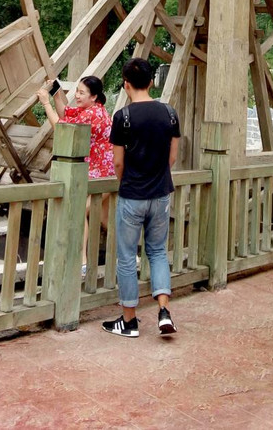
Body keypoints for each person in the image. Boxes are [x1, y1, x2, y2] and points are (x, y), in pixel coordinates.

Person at [102, 57, 180, 339]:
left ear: (125, 84)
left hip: (132, 195)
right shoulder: (170, 113)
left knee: (126, 257)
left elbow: (118, 163)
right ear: (151, 82)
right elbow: (172, 157)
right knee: (158, 252)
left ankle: (130, 321)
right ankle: (163, 311)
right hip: (160, 195)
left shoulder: (122, 117)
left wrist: (128, 184)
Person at [38, 75, 115, 270]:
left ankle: (82, 262)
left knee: (80, 211)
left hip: (102, 175)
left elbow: (62, 128)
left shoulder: (93, 115)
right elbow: (66, 113)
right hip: (105, 173)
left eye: (82, 93)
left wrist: (45, 103)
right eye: (77, 91)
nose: (77, 96)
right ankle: (129, 255)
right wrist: (56, 94)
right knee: (105, 218)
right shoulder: (90, 109)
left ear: (94, 96)